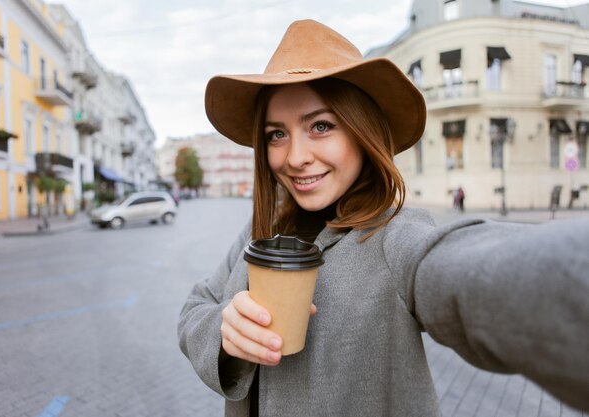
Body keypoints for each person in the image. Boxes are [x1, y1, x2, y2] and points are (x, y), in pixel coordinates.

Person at [178, 20, 589, 417]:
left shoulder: (396, 238)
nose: (295, 157)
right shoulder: (259, 233)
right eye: (276, 134)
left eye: (320, 125)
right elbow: (197, 307)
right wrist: (223, 333)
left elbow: (473, 271)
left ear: (362, 131)